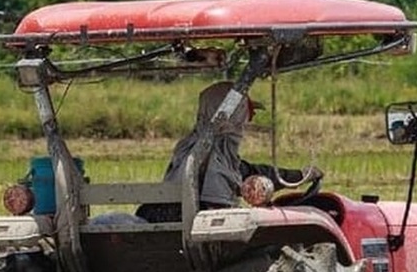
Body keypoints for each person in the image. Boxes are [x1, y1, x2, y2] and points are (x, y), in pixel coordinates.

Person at [137, 81, 321, 222]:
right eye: (246, 112)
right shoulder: (207, 156)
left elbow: (249, 172)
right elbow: (232, 186)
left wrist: (299, 175)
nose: (249, 120)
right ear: (233, 115)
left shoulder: (195, 149)